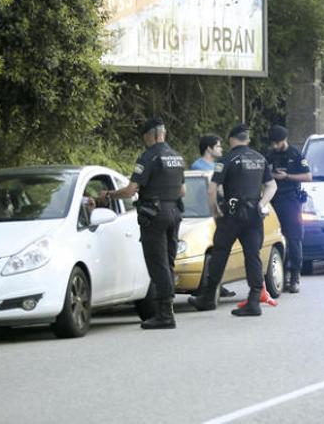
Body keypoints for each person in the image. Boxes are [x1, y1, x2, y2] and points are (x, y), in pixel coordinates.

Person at [104, 118, 185, 330]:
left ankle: (165, 315)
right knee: (167, 262)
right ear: (164, 134)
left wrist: (111, 194)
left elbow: (131, 190)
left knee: (157, 263)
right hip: (174, 212)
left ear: (152, 135)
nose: (145, 141)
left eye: (145, 137)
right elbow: (182, 191)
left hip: (155, 215)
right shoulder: (177, 157)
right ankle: (166, 310)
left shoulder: (149, 156)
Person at [189, 124, 277, 316]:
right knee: (252, 255)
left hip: (231, 215)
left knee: (220, 253)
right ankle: (254, 300)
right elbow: (272, 186)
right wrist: (261, 204)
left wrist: (215, 212)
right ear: (248, 139)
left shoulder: (227, 159)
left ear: (231, 139)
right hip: (254, 215)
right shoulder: (260, 158)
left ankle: (208, 297)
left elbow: (212, 189)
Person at [266, 125, 312, 293]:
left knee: (294, 239)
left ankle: (294, 276)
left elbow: (308, 176)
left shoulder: (295, 154)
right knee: (276, 238)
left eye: (277, 143)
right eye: (272, 143)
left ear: (283, 140)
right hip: (274, 201)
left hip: (291, 200)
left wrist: (287, 177)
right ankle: (281, 275)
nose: (274, 146)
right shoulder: (269, 155)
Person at [189, 134, 235, 298]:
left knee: (221, 249)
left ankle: (218, 285)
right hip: (206, 210)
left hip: (219, 208)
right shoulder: (198, 167)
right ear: (209, 148)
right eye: (218, 146)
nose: (221, 149)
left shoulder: (218, 165)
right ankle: (212, 286)